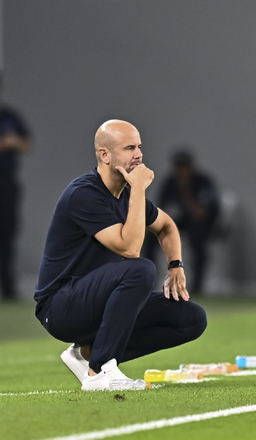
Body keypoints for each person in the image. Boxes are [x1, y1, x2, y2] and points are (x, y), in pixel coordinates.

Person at [34, 120, 207, 391]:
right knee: (140, 269)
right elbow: (130, 249)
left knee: (191, 318)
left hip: (97, 301)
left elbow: (166, 226)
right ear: (105, 155)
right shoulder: (84, 193)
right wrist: (139, 189)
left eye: (139, 147)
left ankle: (89, 354)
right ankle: (99, 372)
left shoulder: (126, 195)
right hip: (60, 307)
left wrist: (176, 265)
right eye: (129, 148)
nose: (138, 154)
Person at [145, 149, 219, 294]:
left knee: (198, 237)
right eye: (179, 166)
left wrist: (186, 192)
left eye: (185, 166)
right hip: (180, 221)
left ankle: (197, 286)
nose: (182, 170)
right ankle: (149, 281)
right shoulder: (170, 182)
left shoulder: (202, 182)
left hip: (202, 224)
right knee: (151, 235)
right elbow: (161, 209)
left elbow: (201, 213)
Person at [0, 80, 30, 301]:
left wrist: (13, 142)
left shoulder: (10, 116)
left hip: (6, 181)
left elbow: (25, 142)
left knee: (7, 232)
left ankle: (7, 286)